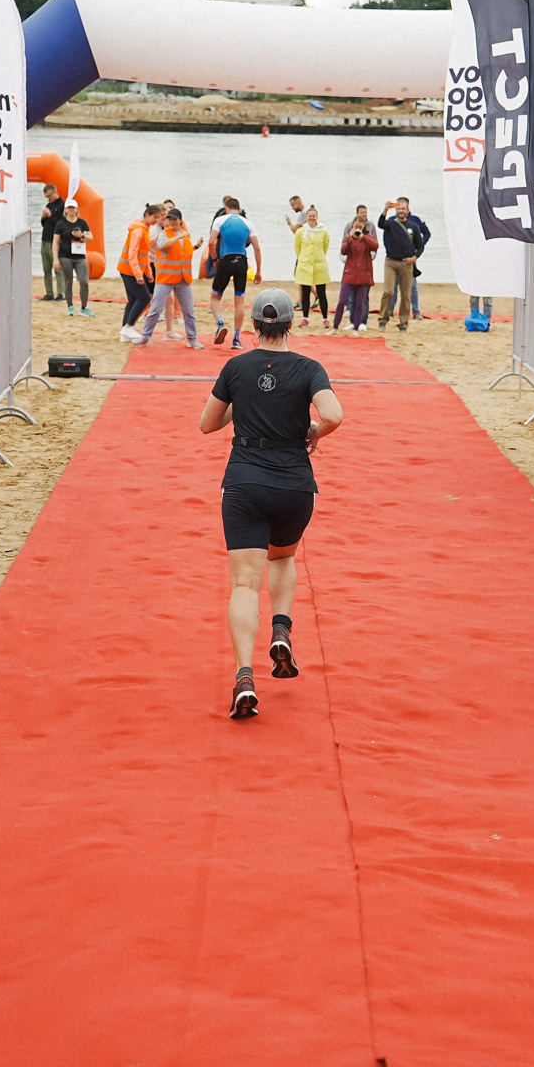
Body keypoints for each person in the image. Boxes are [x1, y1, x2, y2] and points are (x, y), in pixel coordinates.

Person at [198, 287, 343, 719]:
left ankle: (245, 675)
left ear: (256, 325)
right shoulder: (309, 368)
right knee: (282, 559)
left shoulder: (235, 367)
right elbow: (334, 414)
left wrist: (239, 404)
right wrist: (314, 432)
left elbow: (207, 424)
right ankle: (281, 629)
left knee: (244, 584)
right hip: (294, 485)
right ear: (290, 323)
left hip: (244, 482)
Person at [202, 195, 263, 347]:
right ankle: (236, 339)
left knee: (215, 297)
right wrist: (258, 271)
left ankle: (221, 323)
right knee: (239, 301)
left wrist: (215, 260)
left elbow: (211, 242)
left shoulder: (220, 220)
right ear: (240, 209)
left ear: (226, 209)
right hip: (242, 262)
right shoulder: (248, 223)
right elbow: (256, 248)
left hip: (226, 261)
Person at [135, 206, 200, 347]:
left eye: (174, 219)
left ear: (180, 221)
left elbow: (185, 253)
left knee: (189, 311)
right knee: (155, 309)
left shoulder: (184, 234)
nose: (171, 222)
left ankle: (192, 339)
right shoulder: (165, 234)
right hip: (165, 279)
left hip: (183, 279)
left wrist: (196, 247)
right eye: (169, 219)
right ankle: (145, 336)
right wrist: (179, 236)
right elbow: (162, 246)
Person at [376, 196, 428, 328]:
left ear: (408, 210)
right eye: (399, 208)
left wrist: (414, 258)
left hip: (407, 263)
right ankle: (383, 318)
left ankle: (403, 322)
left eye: (403, 208)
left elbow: (420, 246)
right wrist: (385, 210)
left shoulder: (414, 226)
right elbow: (380, 224)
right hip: (391, 262)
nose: (401, 211)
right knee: (388, 291)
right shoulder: (391, 223)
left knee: (406, 295)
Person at [117, 202, 161, 342]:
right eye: (155, 217)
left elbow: (145, 254)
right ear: (147, 215)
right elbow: (132, 254)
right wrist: (138, 275)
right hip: (129, 270)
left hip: (133, 269)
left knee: (132, 300)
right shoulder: (138, 230)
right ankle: (128, 327)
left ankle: (125, 332)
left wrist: (148, 274)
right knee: (144, 298)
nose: (156, 220)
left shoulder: (146, 229)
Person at [337, 210, 378, 333]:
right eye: (356, 227)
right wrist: (350, 238)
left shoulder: (368, 236)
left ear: (364, 227)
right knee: (348, 300)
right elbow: (343, 250)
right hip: (351, 273)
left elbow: (375, 246)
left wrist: (363, 237)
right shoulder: (348, 237)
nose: (358, 229)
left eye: (360, 227)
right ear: (352, 226)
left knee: (362, 300)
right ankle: (350, 322)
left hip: (364, 273)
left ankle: (361, 323)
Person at [292, 204, 331, 327]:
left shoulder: (323, 231)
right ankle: (305, 318)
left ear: (317, 217)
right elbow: (297, 248)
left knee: (322, 293)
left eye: (314, 216)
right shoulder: (300, 232)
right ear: (306, 217)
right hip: (305, 265)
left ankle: (325, 319)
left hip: (319, 266)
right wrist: (304, 259)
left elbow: (325, 247)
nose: (311, 218)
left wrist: (318, 258)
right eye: (309, 216)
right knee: (305, 293)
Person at [60, 203, 94, 315]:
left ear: (76, 209)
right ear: (66, 210)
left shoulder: (82, 223)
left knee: (84, 282)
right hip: (65, 256)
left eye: (73, 208)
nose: (71, 210)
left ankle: (84, 307)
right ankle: (70, 306)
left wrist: (81, 236)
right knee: (68, 281)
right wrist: (55, 258)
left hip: (80, 257)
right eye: (69, 208)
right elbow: (55, 242)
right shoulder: (61, 223)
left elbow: (91, 238)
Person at [39, 185, 65, 301]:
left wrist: (50, 216)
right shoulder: (49, 205)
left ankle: (60, 294)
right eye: (46, 197)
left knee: (57, 268)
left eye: (49, 196)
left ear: (55, 192)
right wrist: (44, 217)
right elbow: (44, 225)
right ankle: (49, 292)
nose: (48, 199)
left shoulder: (62, 205)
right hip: (45, 239)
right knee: (46, 268)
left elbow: (60, 225)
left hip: (56, 241)